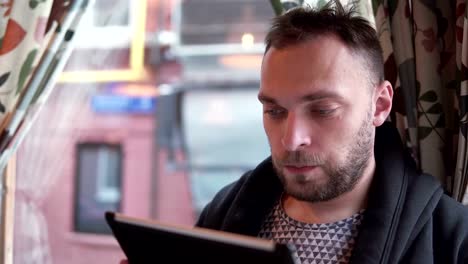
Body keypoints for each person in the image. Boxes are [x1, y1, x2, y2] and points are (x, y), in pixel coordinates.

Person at [120, 1, 468, 264]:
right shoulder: (224, 214)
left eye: (321, 110)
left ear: (379, 106)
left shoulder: (451, 239)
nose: (291, 139)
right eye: (274, 111)